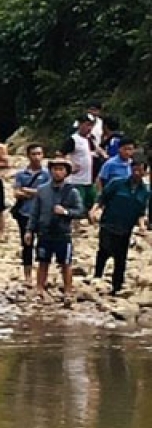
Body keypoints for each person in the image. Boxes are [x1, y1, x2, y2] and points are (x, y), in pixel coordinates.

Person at [26, 156, 87, 301]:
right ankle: (40, 288)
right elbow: (35, 211)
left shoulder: (72, 191)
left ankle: (67, 291)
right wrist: (29, 230)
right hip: (44, 231)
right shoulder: (42, 190)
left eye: (61, 169)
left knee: (66, 263)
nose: (57, 172)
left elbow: (80, 211)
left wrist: (66, 212)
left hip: (63, 233)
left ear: (66, 172)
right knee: (43, 262)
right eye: (55, 169)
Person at [91, 160, 150, 295]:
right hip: (108, 223)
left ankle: (116, 287)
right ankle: (97, 277)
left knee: (121, 257)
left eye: (140, 170)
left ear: (145, 172)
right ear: (130, 169)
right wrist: (94, 210)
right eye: (134, 169)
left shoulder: (145, 191)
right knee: (104, 249)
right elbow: (102, 198)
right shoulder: (117, 183)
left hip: (126, 228)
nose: (136, 173)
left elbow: (141, 212)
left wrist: (142, 226)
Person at [11, 143, 49, 287]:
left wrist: (29, 191)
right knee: (26, 245)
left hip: (42, 215)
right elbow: (16, 192)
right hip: (24, 213)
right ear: (28, 156)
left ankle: (41, 276)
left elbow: (47, 193)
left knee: (43, 245)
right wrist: (33, 192)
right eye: (34, 154)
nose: (37, 157)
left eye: (39, 154)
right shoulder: (21, 174)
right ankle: (27, 276)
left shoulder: (47, 174)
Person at [67, 117, 98, 209]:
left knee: (91, 201)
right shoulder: (73, 139)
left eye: (91, 125)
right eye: (87, 125)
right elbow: (60, 153)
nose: (89, 128)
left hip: (89, 179)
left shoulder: (89, 139)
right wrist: (70, 164)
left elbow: (94, 150)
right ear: (80, 125)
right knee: (79, 204)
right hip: (76, 180)